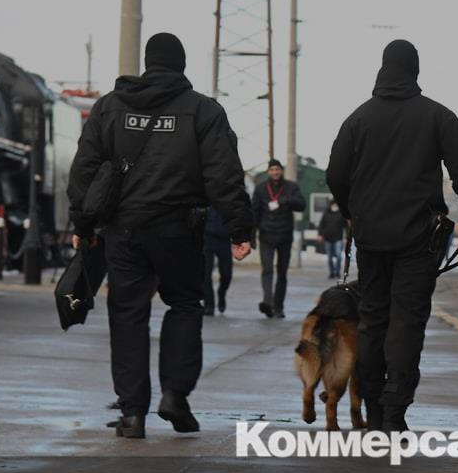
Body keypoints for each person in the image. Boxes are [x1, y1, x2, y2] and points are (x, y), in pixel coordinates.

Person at [67, 32, 253, 439]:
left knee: (128, 313)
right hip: (179, 229)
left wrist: (81, 225)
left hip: (124, 230)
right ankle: (174, 395)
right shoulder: (203, 111)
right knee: (184, 304)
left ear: (148, 63)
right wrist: (239, 228)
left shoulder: (110, 107)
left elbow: (85, 170)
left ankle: (133, 414)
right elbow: (223, 174)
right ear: (181, 66)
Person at [326, 39, 458, 433]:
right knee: (407, 323)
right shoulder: (437, 116)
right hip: (418, 239)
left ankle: (375, 411)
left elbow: (335, 174)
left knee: (372, 320)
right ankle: (395, 414)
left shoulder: (358, 119)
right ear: (415, 70)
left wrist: (352, 213)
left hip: (371, 239)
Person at [250, 159, 305, 318]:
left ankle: (279, 307)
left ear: (281, 170)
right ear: (268, 171)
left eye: (277, 169)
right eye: (272, 169)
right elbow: (254, 212)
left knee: (282, 273)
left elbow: (302, 205)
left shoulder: (291, 187)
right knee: (267, 270)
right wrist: (251, 235)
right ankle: (268, 303)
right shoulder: (261, 188)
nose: (275, 172)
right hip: (266, 235)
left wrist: (286, 200)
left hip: (284, 236)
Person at [202, 206, 232, 315]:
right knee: (206, 273)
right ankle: (208, 305)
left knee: (226, 274)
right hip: (207, 238)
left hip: (224, 239)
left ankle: (222, 292)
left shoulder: (228, 198)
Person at [317, 198, 347, 279]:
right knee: (329, 257)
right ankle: (332, 272)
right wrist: (320, 235)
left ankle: (337, 272)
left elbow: (346, 226)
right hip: (327, 238)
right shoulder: (326, 213)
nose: (334, 206)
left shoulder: (341, 213)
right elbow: (321, 224)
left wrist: (346, 237)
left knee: (338, 256)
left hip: (338, 238)